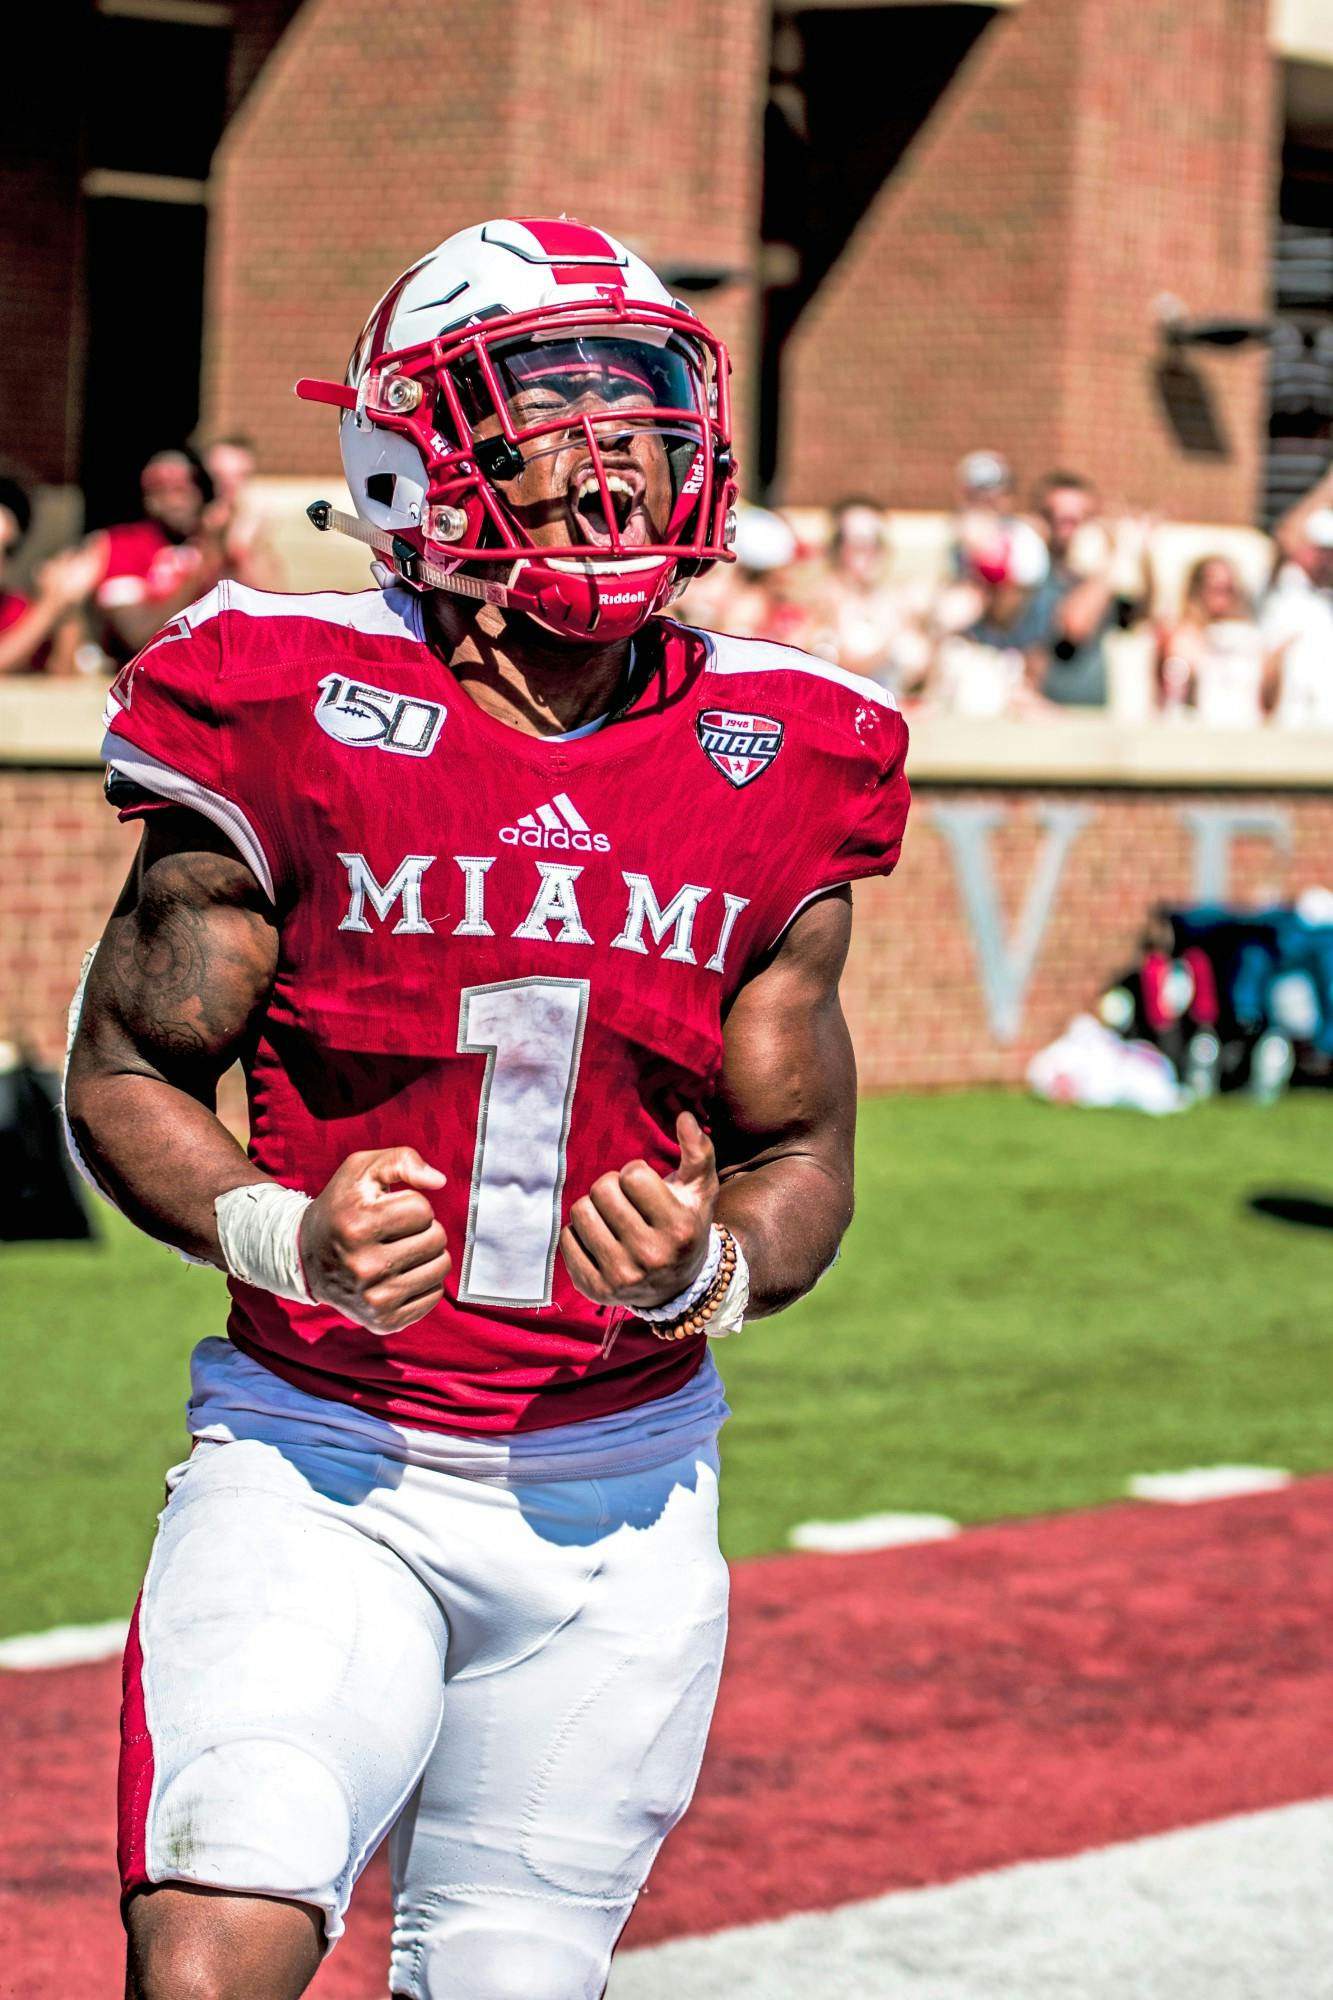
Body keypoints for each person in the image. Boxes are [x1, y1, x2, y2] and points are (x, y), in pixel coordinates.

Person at [64, 216, 910, 2000]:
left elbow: (802, 1156)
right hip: (322, 1452)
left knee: (511, 1981)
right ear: (405, 453)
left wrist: (705, 1271)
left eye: (644, 405)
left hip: (612, 1486)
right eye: (550, 403)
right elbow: (131, 1071)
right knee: (212, 1941)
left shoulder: (780, 753)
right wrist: (278, 1231)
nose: (610, 454)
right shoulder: (284, 703)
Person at [83, 446, 229, 665]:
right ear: (146, 498)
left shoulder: (220, 544)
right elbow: (137, 637)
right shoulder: (121, 544)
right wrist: (200, 572)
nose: (174, 502)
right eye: (161, 491)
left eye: (183, 489)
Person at [1027, 471, 1152, 707]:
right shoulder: (1033, 575)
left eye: (1083, 519)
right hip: (1042, 713)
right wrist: (1118, 557)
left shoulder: (1097, 575)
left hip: (1091, 716)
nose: (1075, 528)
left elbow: (1141, 615)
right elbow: (1074, 625)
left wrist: (1144, 554)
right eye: (1064, 519)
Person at [805, 498, 932, 695]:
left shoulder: (896, 598)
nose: (872, 551)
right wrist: (890, 644)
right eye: (861, 542)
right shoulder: (823, 598)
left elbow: (922, 669)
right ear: (838, 547)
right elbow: (841, 665)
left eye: (878, 541)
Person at [0, 476, 101, 675]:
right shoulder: (36, 614)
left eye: (7, 549)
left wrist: (67, 604)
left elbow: (63, 678)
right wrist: (48, 608)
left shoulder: (18, 610)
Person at [1155, 554, 1271, 726]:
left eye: (1228, 590)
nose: (1223, 598)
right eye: (1216, 589)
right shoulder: (1179, 636)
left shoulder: (1248, 636)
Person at [1261, 496, 1333, 730]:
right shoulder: (1280, 586)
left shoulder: (1324, 595)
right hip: (1293, 722)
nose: (1327, 559)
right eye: (1321, 550)